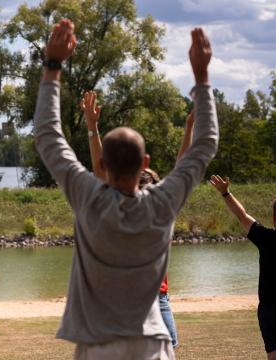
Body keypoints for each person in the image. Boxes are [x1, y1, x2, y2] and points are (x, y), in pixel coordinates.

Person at [34, 19, 216, 359]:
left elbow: (48, 136)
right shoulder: (162, 204)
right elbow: (205, 146)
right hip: (153, 345)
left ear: (101, 165)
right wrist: (202, 78)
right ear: (144, 161)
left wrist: (53, 65)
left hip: (100, 346)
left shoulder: (88, 197)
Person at [81, 90, 197, 349]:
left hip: (158, 299)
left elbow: (183, 165)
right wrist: (92, 129)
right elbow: (102, 172)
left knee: (169, 345)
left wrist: (190, 126)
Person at [209, 174, 276, 359]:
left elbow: (242, 216)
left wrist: (225, 193)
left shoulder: (267, 239)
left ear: (275, 219)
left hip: (270, 310)